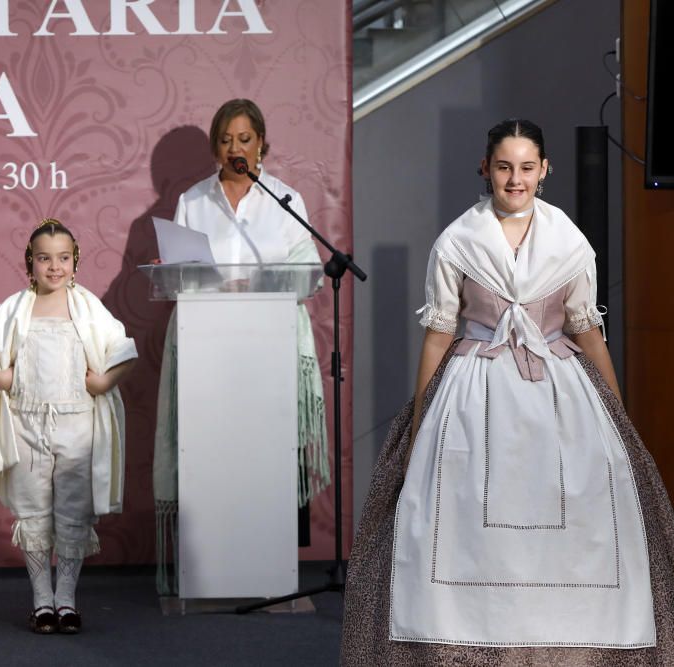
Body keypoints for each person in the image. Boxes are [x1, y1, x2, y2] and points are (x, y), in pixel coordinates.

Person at [342, 119, 674, 663]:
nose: (514, 179)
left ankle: (563, 648)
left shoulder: (569, 240)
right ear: (485, 169)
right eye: (504, 167)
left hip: (558, 392)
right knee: (468, 526)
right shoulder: (457, 240)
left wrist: (619, 418)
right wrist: (421, 421)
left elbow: (587, 332)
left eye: (525, 167)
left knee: (578, 518)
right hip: (473, 389)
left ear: (544, 170)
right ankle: (468, 645)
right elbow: (438, 336)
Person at [152, 98, 330, 594]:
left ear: (261, 144)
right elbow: (182, 273)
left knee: (264, 462)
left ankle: (267, 576)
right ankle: (210, 575)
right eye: (226, 139)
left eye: (244, 139)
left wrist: (256, 285)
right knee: (212, 461)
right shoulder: (193, 200)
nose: (236, 148)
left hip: (266, 350)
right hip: (208, 351)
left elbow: (308, 273)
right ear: (216, 147)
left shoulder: (286, 201)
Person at [0, 219, 137, 634]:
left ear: (75, 262)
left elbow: (123, 352)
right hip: (27, 423)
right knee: (35, 511)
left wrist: (102, 381)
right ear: (31, 263)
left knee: (73, 513)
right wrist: (8, 380)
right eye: (45, 259)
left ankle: (67, 600)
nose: (54, 267)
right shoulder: (14, 309)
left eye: (63, 258)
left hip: (77, 425)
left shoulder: (88, 308)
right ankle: (41, 600)